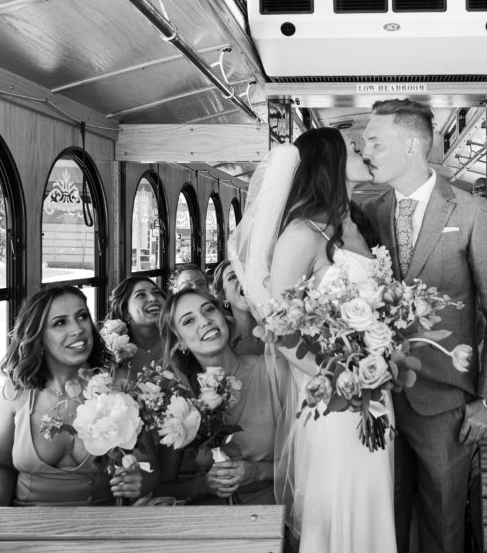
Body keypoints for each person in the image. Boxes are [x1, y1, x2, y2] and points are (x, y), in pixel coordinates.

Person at [361, 99, 487, 553]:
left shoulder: (472, 211)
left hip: (447, 402)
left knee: (444, 528)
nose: (365, 150)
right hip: (378, 397)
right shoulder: (367, 213)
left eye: (375, 141)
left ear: (412, 145)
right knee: (383, 524)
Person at [231, 127, 395, 552]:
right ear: (330, 162)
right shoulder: (301, 234)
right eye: (354, 148)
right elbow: (280, 326)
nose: (365, 152)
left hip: (374, 384)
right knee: (341, 494)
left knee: (372, 494)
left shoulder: (354, 223)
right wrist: (337, 375)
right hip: (335, 394)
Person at [0, 287, 144, 506]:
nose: (77, 329)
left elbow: (149, 466)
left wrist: (137, 481)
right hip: (26, 521)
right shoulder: (16, 392)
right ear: (38, 335)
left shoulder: (119, 384)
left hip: (102, 521)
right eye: (60, 322)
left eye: (82, 316)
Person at [155, 288, 287, 505]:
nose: (204, 321)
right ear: (180, 342)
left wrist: (258, 471)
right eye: (189, 321)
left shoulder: (275, 372)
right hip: (214, 514)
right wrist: (204, 485)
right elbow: (162, 488)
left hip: (277, 507)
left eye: (208, 310)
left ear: (223, 317)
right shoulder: (180, 401)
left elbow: (315, 459)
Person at [105, 276, 167, 382]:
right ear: (126, 312)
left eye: (157, 293)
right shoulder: (111, 352)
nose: (153, 298)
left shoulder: (181, 342)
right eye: (141, 295)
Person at [210, 258, 263, 354]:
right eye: (232, 277)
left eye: (247, 273)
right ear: (223, 295)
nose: (243, 279)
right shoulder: (221, 342)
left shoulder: (279, 326)